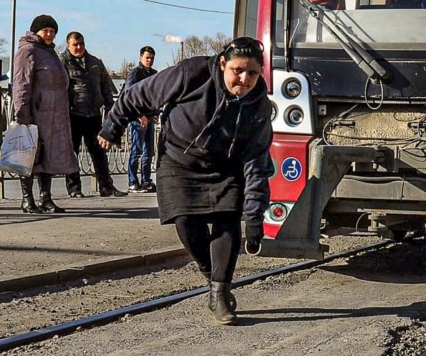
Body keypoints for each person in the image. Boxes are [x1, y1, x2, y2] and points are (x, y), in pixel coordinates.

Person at [97, 37, 273, 325]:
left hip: (226, 167)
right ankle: (209, 270)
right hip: (178, 159)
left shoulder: (259, 106)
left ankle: (220, 293)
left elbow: (257, 163)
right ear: (222, 64)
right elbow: (135, 96)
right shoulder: (191, 74)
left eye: (252, 73)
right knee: (186, 223)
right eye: (238, 70)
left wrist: (254, 217)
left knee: (227, 221)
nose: (244, 79)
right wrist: (113, 126)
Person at [12, 14, 79, 214]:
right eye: (45, 30)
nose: (49, 34)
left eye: (52, 31)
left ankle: (45, 198)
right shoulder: (28, 51)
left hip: (54, 116)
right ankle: (27, 199)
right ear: (36, 31)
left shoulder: (50, 53)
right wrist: (22, 114)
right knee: (29, 157)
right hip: (35, 114)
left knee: (46, 157)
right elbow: (21, 83)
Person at [60, 31, 125, 198]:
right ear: (68, 45)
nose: (79, 47)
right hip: (73, 114)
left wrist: (110, 107)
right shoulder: (62, 63)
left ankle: (106, 187)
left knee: (99, 152)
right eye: (75, 45)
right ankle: (74, 188)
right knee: (72, 152)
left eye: (81, 43)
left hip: (93, 114)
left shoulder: (95, 63)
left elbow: (106, 86)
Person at [123, 45, 159, 192]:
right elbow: (129, 94)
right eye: (147, 58)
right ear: (141, 58)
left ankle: (146, 180)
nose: (149, 60)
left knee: (148, 151)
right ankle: (133, 181)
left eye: (151, 58)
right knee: (136, 150)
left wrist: (155, 112)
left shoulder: (154, 74)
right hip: (138, 117)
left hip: (149, 116)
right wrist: (139, 114)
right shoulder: (135, 73)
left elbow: (156, 94)